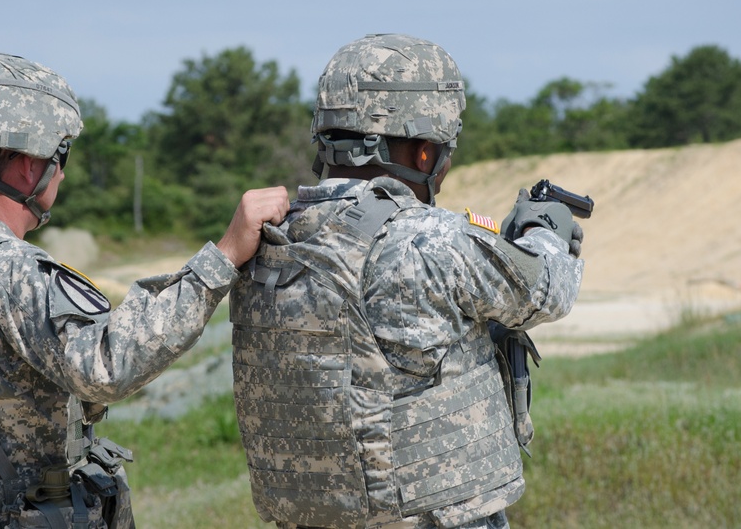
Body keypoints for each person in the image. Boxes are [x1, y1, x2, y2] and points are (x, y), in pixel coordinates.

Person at [0, 53, 289, 528]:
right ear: (26, 165)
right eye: (58, 157)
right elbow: (109, 365)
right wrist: (225, 256)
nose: (60, 173)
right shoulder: (17, 273)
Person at [229, 33, 585, 529]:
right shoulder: (433, 239)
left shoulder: (259, 240)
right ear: (423, 154)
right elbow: (550, 290)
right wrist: (543, 231)